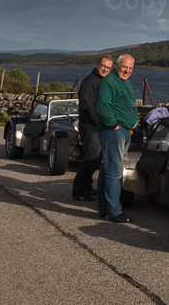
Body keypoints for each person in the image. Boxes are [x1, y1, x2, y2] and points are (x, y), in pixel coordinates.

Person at [96, 53, 138, 222]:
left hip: (123, 130)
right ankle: (114, 211)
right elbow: (103, 107)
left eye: (130, 68)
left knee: (107, 168)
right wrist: (114, 125)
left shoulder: (124, 82)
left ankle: (104, 207)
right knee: (114, 172)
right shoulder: (108, 82)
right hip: (114, 132)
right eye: (124, 67)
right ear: (116, 66)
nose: (127, 70)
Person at [71, 54, 113, 201]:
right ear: (97, 65)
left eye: (108, 67)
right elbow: (88, 107)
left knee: (95, 159)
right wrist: (104, 123)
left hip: (99, 127)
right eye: (103, 66)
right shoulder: (90, 82)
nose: (105, 69)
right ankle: (78, 191)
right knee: (91, 159)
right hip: (91, 127)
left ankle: (87, 187)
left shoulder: (103, 81)